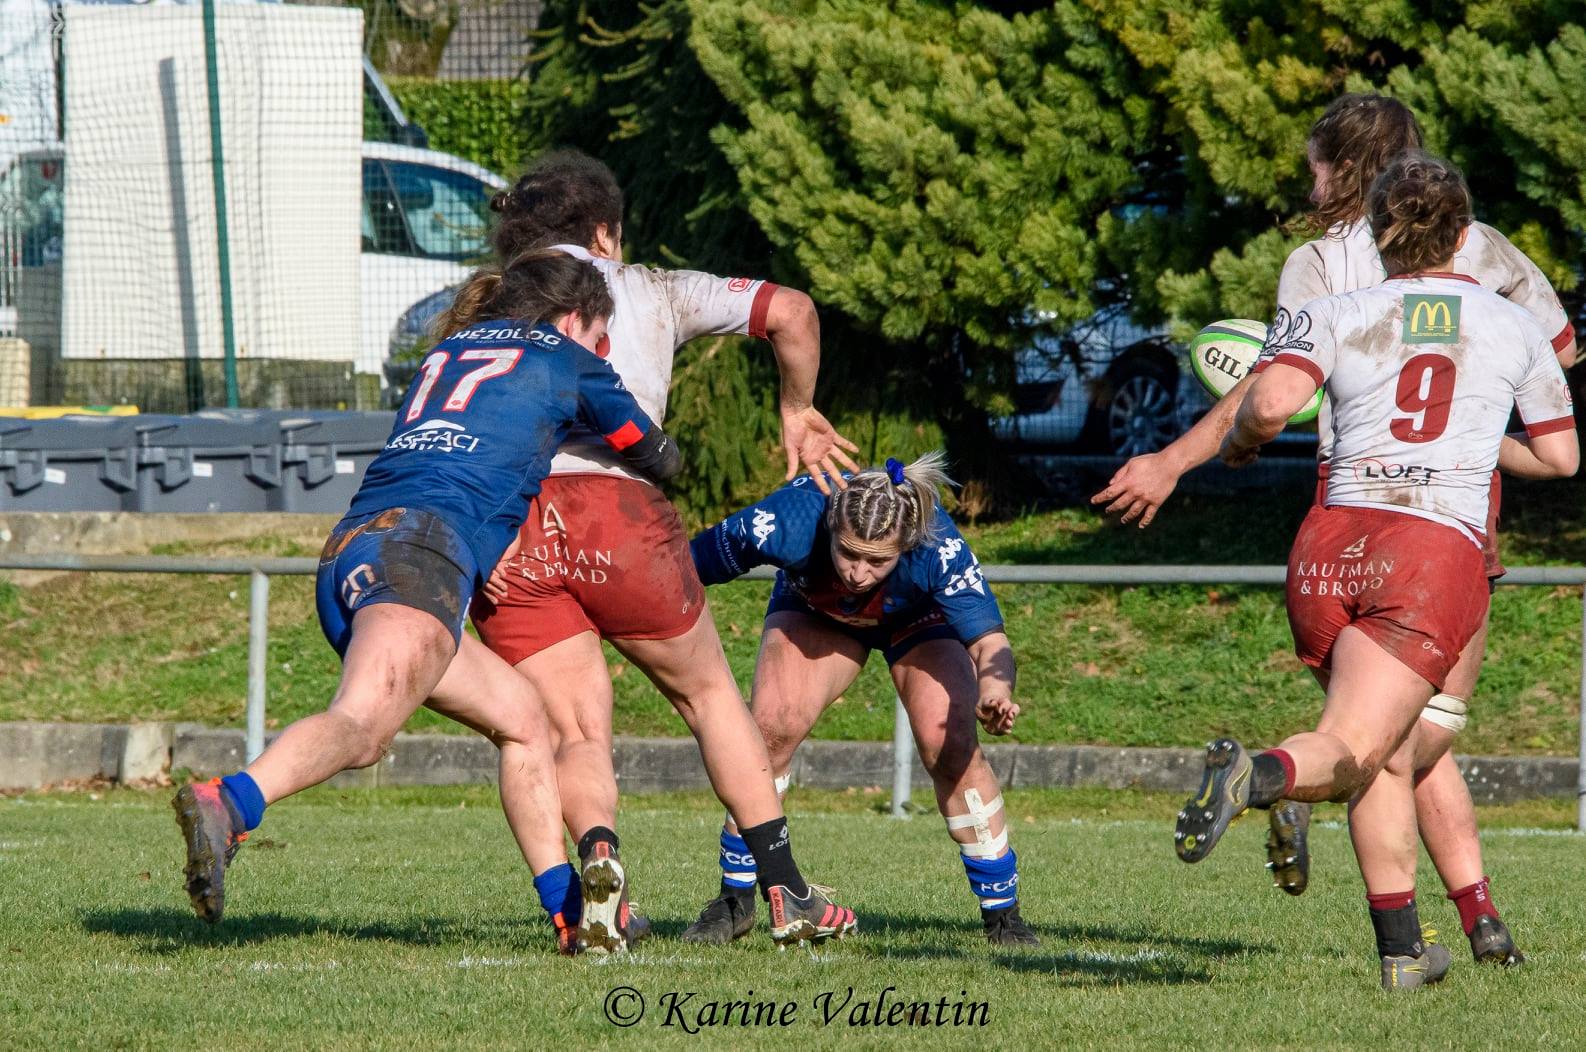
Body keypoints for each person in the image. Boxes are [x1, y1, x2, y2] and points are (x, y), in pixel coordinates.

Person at [1094, 93, 1577, 964]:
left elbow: (1267, 396)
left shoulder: (1317, 267)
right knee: (1412, 730)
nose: (1306, 179)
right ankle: (1314, 794)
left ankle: (1446, 921)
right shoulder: (1486, 247)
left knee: (1390, 738)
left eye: (1315, 164)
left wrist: (1177, 459)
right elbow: (1563, 350)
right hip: (1456, 517)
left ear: (1347, 168)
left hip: (1343, 510)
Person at [171, 251, 681, 955]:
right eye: (601, 336)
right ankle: (229, 802)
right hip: (421, 554)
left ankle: (573, 914)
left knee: (526, 720)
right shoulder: (569, 357)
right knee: (360, 727)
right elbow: (650, 450)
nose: (601, 351)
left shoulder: (452, 348)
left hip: (359, 547)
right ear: (573, 320)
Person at [470, 150, 861, 953]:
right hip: (618, 508)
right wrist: (798, 409)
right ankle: (785, 891)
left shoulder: (492, 302)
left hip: (512, 520)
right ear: (606, 232)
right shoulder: (650, 286)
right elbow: (792, 309)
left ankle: (602, 861)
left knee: (576, 727)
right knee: (710, 699)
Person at [677, 452, 1038, 946]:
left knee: (949, 745)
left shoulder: (938, 545)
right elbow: (681, 568)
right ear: (829, 525)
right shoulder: (788, 518)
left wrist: (996, 693)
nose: (858, 573)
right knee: (771, 729)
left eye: (877, 560)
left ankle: (1004, 917)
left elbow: (990, 644)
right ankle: (735, 901)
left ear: (906, 545)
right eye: (848, 552)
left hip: (917, 618)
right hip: (816, 610)